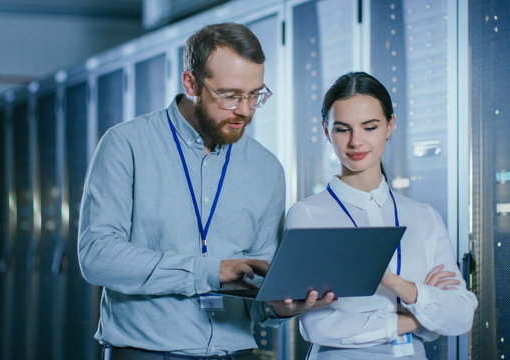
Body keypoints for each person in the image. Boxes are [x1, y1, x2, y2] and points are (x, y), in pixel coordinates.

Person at [78, 22, 333, 360]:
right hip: (146, 353)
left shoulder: (267, 169)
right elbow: (98, 256)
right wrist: (209, 271)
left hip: (237, 353)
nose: (244, 110)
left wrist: (278, 306)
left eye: (255, 95)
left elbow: (258, 284)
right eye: (229, 96)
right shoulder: (126, 145)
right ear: (191, 83)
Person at [284, 72, 478, 359]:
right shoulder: (308, 215)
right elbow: (318, 326)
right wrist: (416, 317)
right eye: (342, 129)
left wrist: (394, 283)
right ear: (327, 131)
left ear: (390, 125)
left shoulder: (423, 217)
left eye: (369, 127)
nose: (356, 142)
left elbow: (461, 315)